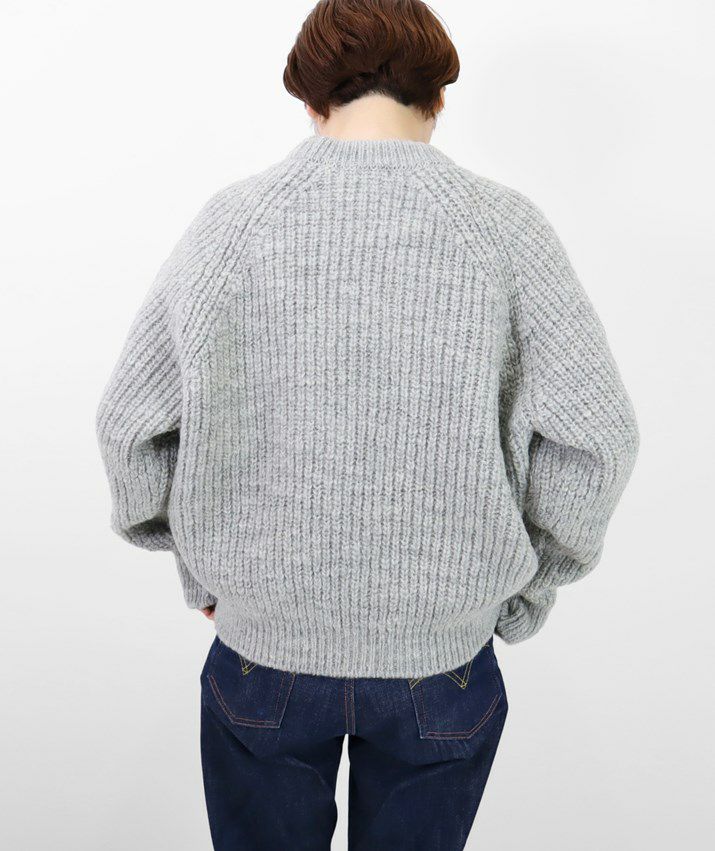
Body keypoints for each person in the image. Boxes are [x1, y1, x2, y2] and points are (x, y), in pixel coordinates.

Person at [96, 1, 639, 848]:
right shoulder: (503, 229)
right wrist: (523, 590)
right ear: (438, 96)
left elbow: (129, 428)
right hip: (442, 663)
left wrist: (206, 573)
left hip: (261, 656)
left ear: (311, 99)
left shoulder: (232, 224)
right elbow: (599, 439)